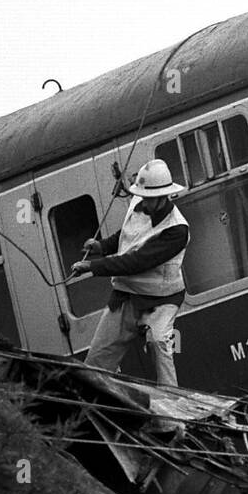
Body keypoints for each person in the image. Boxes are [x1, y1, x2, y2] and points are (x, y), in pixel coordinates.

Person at [72, 159, 188, 386]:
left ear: (164, 196)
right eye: (142, 196)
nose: (144, 202)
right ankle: (98, 405)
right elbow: (128, 233)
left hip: (162, 300)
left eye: (149, 199)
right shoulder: (140, 201)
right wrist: (102, 246)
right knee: (97, 359)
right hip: (126, 296)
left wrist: (93, 267)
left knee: (159, 343)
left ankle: (172, 415)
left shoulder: (177, 230)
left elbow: (137, 262)